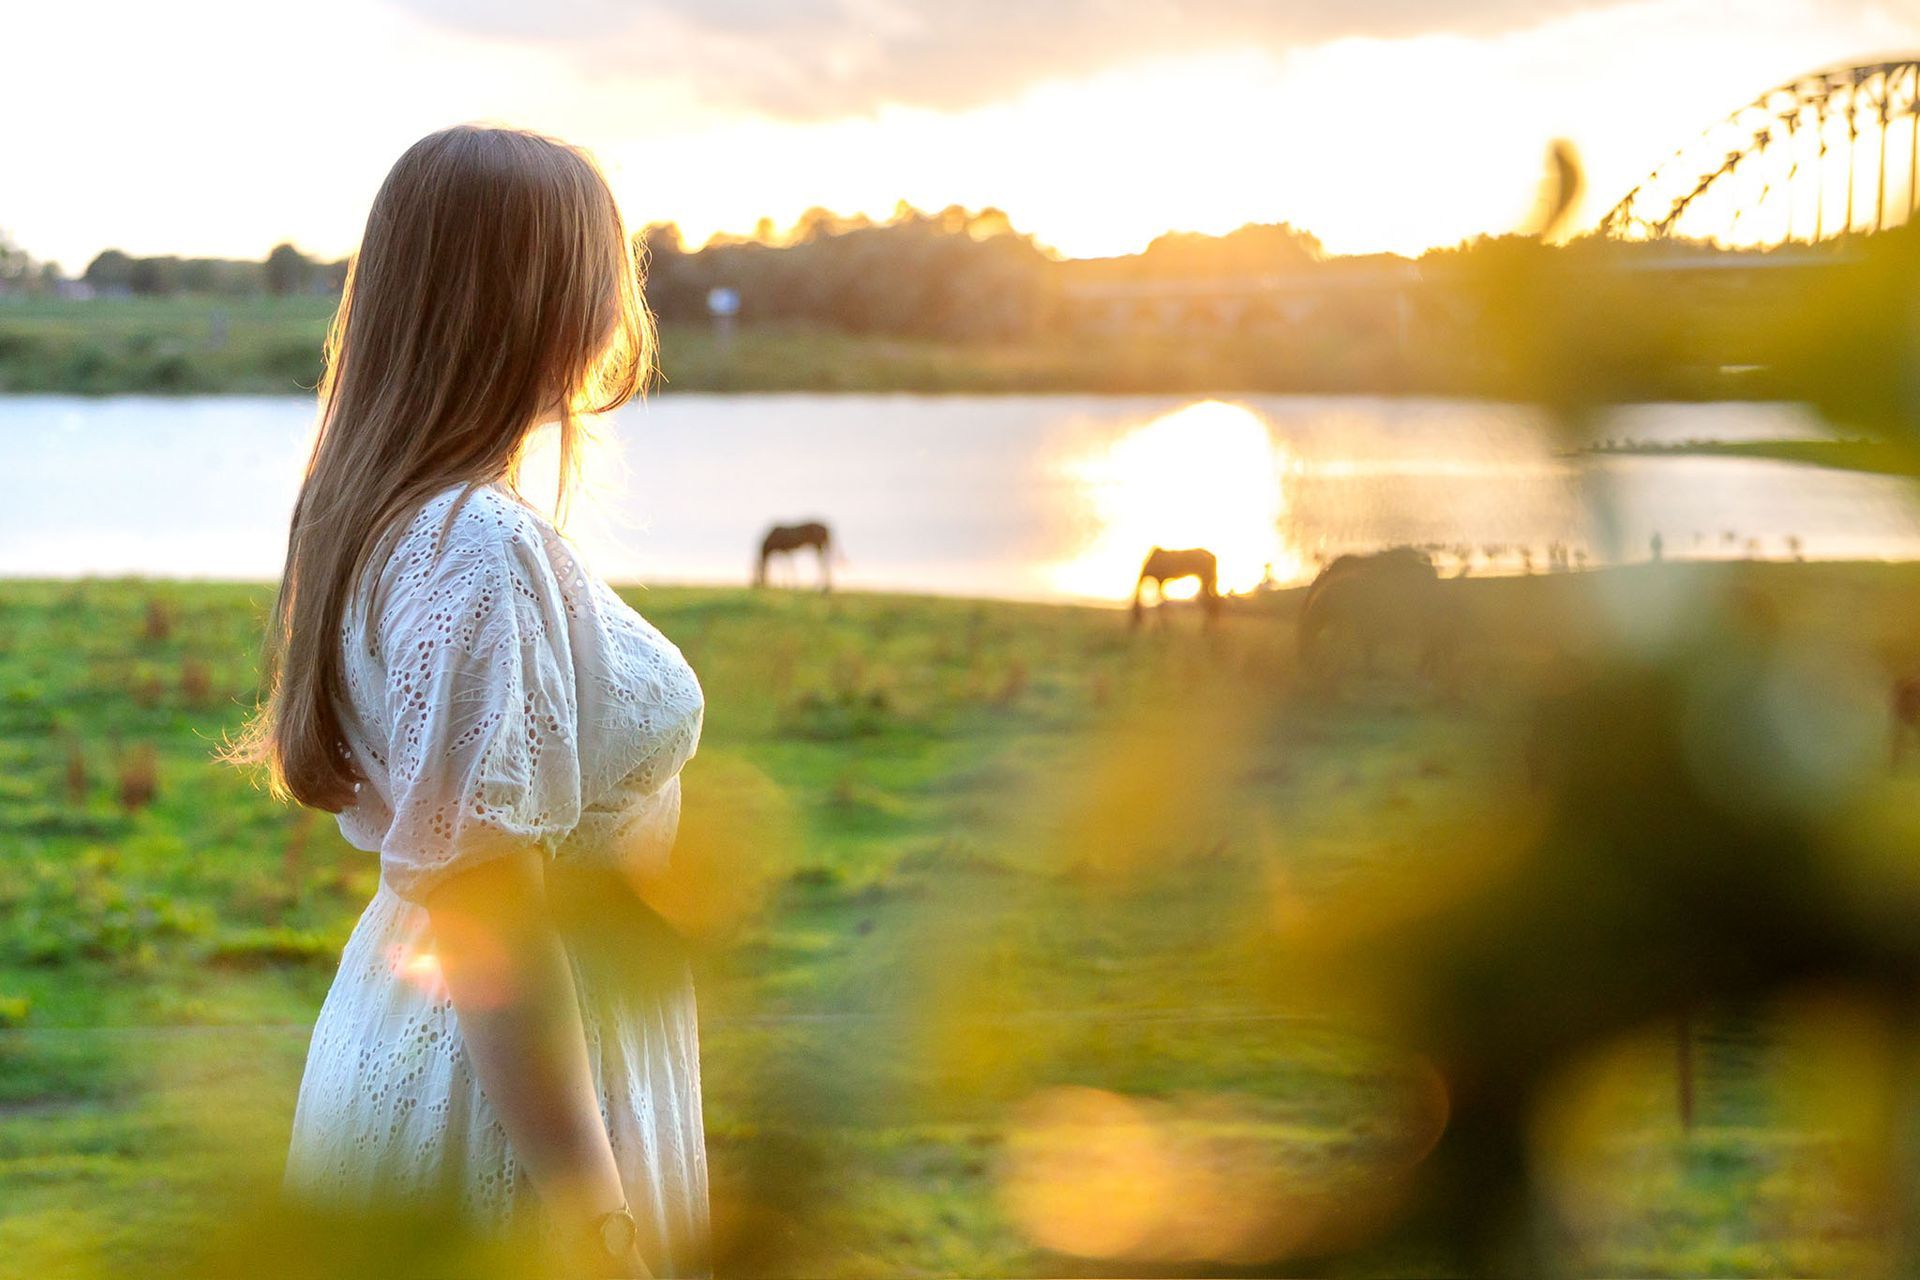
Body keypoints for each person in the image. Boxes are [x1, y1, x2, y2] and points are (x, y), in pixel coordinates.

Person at [228, 125, 706, 1277]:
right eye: (603, 269)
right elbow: (494, 914)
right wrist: (601, 1226)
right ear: (541, 297)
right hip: (514, 1088)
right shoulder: (474, 544)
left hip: (436, 1038)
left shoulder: (391, 514)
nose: (618, 303)